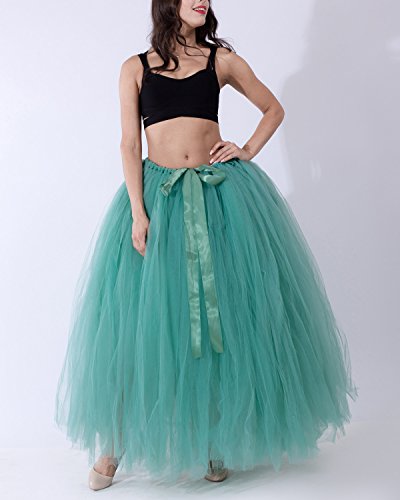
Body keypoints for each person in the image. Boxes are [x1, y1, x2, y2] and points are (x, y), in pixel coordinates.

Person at [55, 0, 359, 491]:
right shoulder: (136, 68)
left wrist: (246, 149)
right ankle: (113, 447)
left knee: (222, 318)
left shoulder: (222, 60)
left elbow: (273, 109)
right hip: (159, 200)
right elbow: (130, 144)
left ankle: (215, 441)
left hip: (218, 198)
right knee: (143, 325)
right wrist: (138, 211)